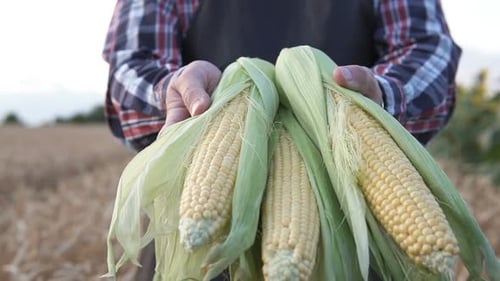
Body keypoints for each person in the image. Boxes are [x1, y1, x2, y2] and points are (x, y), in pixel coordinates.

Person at [102, 0, 461, 280]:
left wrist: (381, 95)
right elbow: (134, 64)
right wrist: (174, 92)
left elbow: (426, 48)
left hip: (359, 235)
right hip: (199, 243)